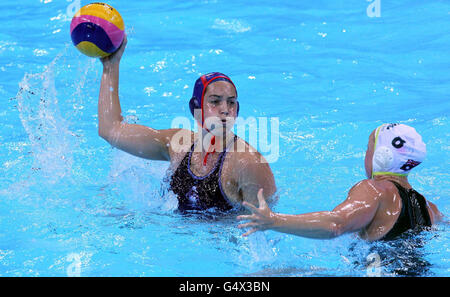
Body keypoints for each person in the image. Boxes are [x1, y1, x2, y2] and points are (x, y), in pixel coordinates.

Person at [98, 34, 276, 213]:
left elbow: (266, 225)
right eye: (215, 101)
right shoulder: (177, 145)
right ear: (195, 108)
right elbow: (110, 130)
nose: (225, 110)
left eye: (231, 102)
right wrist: (110, 66)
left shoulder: (248, 163)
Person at [238, 124, 443, 241]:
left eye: (368, 148)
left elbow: (335, 224)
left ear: (383, 156)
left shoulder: (374, 190)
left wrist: (274, 220)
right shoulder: (429, 209)